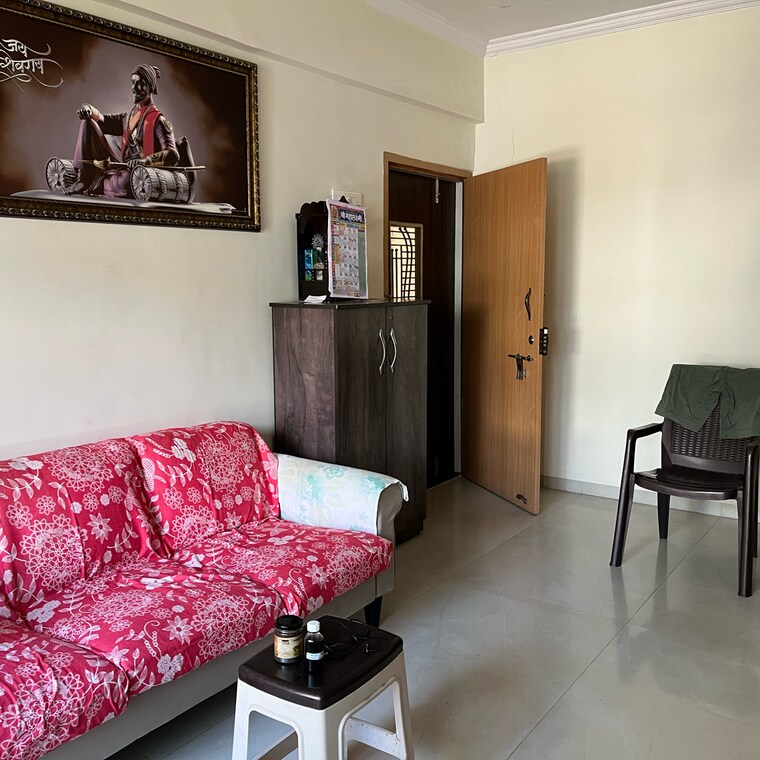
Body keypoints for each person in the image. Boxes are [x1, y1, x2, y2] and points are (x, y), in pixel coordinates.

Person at [68, 64, 179, 197]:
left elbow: (172, 154)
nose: (134, 88)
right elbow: (102, 120)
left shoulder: (158, 121)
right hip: (121, 168)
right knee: (88, 121)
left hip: (141, 173)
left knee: (126, 181)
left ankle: (98, 182)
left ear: (150, 87)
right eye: (133, 83)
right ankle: (84, 178)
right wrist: (88, 109)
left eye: (140, 84)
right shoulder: (128, 117)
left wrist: (144, 161)